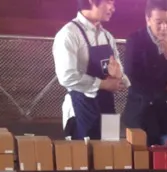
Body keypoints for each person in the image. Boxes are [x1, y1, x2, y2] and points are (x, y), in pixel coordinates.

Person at [53, 0, 128, 140]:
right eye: (109, 2)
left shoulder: (107, 36)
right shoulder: (69, 34)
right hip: (82, 108)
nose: (113, 8)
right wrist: (103, 84)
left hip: (108, 107)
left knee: (113, 149)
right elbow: (66, 76)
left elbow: (121, 76)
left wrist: (119, 77)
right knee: (84, 152)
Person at [123, 0, 167, 146]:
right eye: (159, 22)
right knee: (140, 159)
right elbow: (132, 78)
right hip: (141, 118)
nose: (164, 27)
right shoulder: (135, 40)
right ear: (148, 19)